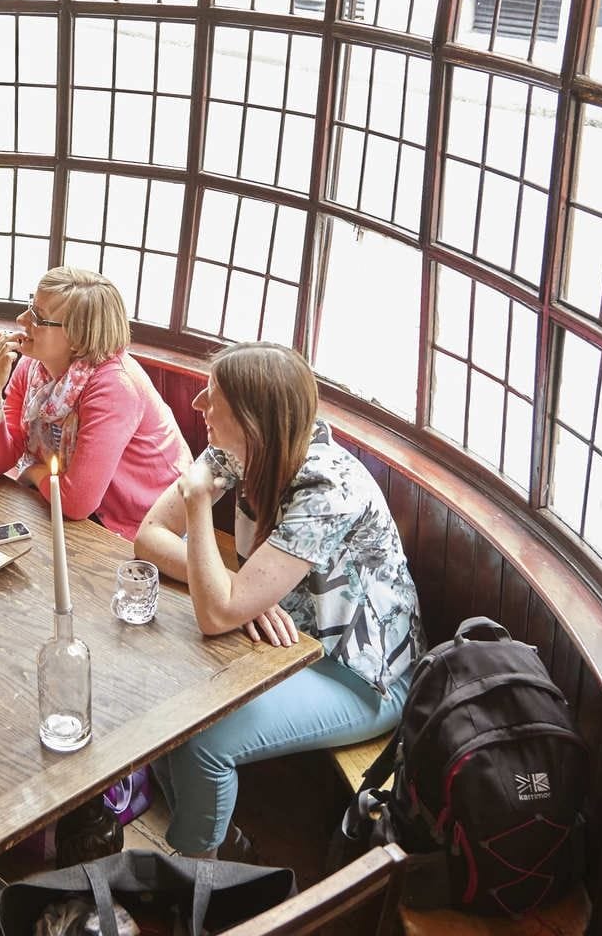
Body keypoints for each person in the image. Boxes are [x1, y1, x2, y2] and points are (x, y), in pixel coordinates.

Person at [134, 342, 424, 859]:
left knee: (203, 740)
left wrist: (202, 510)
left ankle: (195, 880)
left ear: (252, 417)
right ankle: (217, 846)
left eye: (213, 396)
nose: (199, 405)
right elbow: (150, 536)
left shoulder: (326, 489)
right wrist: (234, 588)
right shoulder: (238, 450)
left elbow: (216, 614)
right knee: (162, 696)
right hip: (287, 646)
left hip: (362, 676)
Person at [0, 267, 189, 541]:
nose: (21, 319)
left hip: (145, 526)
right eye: (30, 306)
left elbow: (76, 503)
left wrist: (32, 470)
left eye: (38, 316)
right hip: (75, 512)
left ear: (77, 337)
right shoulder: (32, 367)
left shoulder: (114, 387)